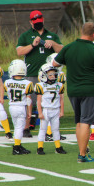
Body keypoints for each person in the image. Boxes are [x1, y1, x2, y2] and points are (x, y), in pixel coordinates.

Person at [53, 22, 94, 163]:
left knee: (79, 122)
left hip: (73, 90)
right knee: (86, 122)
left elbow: (55, 64)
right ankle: (82, 155)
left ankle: (82, 151)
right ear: (93, 34)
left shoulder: (69, 47)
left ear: (81, 31)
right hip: (89, 90)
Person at [16, 10, 63, 138]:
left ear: (43, 20)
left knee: (50, 102)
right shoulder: (25, 36)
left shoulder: (51, 35)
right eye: (35, 22)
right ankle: (26, 128)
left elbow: (63, 50)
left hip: (49, 75)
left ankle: (52, 130)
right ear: (31, 22)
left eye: (40, 21)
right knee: (29, 101)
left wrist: (53, 44)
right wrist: (32, 45)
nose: (38, 24)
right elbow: (19, 52)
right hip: (31, 73)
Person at [35, 63, 66, 155]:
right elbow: (38, 101)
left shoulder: (59, 85)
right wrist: (40, 113)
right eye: (50, 75)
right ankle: (40, 148)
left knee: (56, 130)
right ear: (44, 75)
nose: (53, 76)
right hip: (46, 110)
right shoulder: (40, 85)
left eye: (54, 74)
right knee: (43, 129)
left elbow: (61, 99)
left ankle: (58, 147)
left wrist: (62, 111)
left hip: (56, 110)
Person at [4, 59, 34, 155]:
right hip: (21, 107)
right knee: (19, 128)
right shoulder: (28, 83)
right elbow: (29, 99)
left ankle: (18, 145)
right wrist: (29, 112)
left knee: (16, 127)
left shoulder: (7, 82)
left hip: (12, 106)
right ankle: (16, 147)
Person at [45, 53, 66, 142]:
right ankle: (49, 133)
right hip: (54, 97)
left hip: (48, 97)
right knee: (53, 117)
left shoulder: (45, 72)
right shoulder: (60, 74)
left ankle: (52, 133)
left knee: (52, 117)